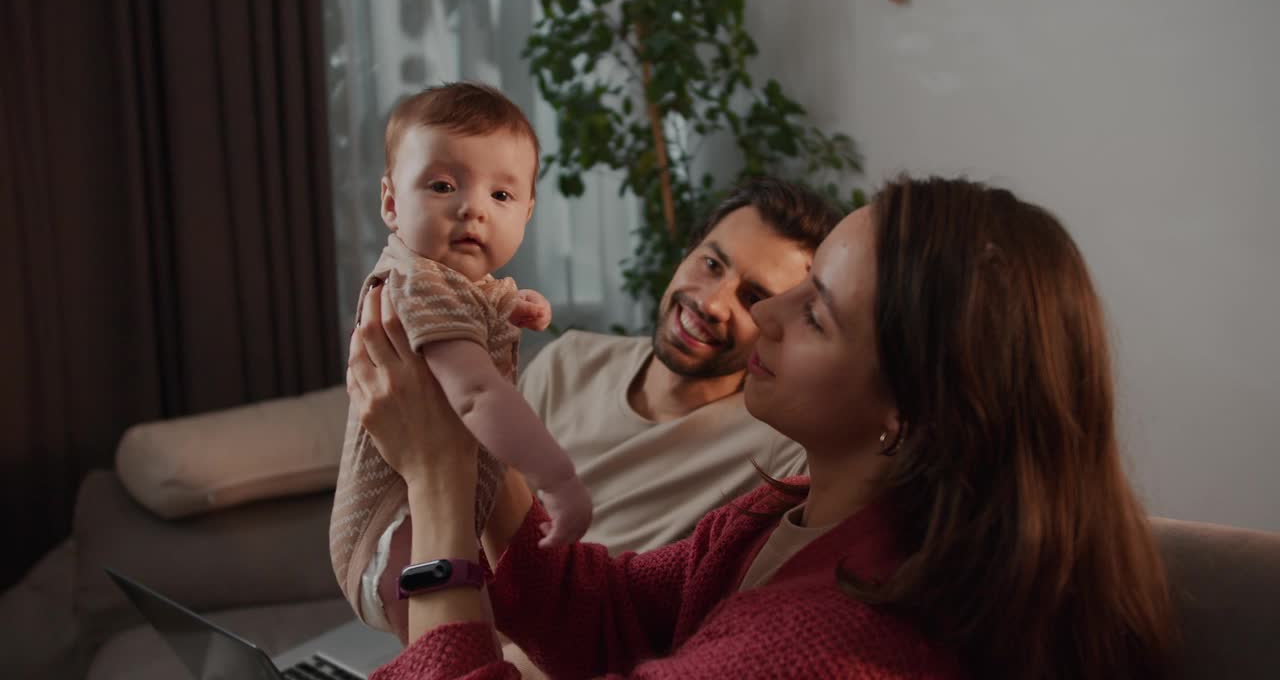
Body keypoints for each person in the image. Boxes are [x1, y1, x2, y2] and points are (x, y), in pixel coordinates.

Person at [346, 176, 1178, 679]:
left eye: (815, 313)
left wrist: (442, 481)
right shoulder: (783, 515)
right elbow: (604, 612)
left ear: (912, 408)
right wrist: (473, 410)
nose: (763, 316)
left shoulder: (830, 649)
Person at [329, 82, 592, 640]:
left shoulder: (445, 282)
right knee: (470, 647)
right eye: (443, 185)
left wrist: (514, 304)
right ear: (392, 203)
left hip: (418, 524)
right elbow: (476, 393)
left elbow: (475, 309)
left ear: (527, 211)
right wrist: (559, 479)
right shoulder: (419, 283)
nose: (472, 207)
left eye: (501, 195)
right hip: (397, 533)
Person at [517, 177, 841, 556]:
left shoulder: (780, 448)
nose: (712, 304)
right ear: (687, 253)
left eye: (754, 297)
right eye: (711, 264)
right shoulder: (566, 364)